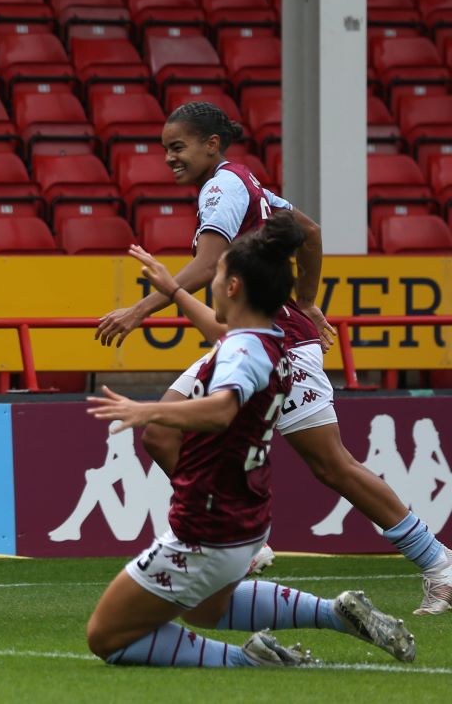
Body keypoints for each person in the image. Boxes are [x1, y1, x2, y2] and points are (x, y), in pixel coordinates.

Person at [96, 101, 452, 615]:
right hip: (246, 334)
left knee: (333, 466)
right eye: (165, 150)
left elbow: (212, 259)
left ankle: (439, 564)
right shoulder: (249, 184)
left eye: (178, 147)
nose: (169, 159)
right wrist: (307, 298)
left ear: (211, 144)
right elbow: (308, 233)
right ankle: (240, 540)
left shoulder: (222, 186)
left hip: (279, 342)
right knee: (160, 432)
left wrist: (142, 308)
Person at [85, 213, 415, 667]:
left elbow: (222, 410)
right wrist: (174, 290)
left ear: (234, 286)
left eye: (217, 275)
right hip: (243, 521)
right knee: (207, 608)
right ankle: (335, 613)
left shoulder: (243, 350)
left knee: (106, 637)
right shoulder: (268, 337)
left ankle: (248, 661)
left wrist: (147, 411)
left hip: (205, 530)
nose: (212, 284)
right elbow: (221, 333)